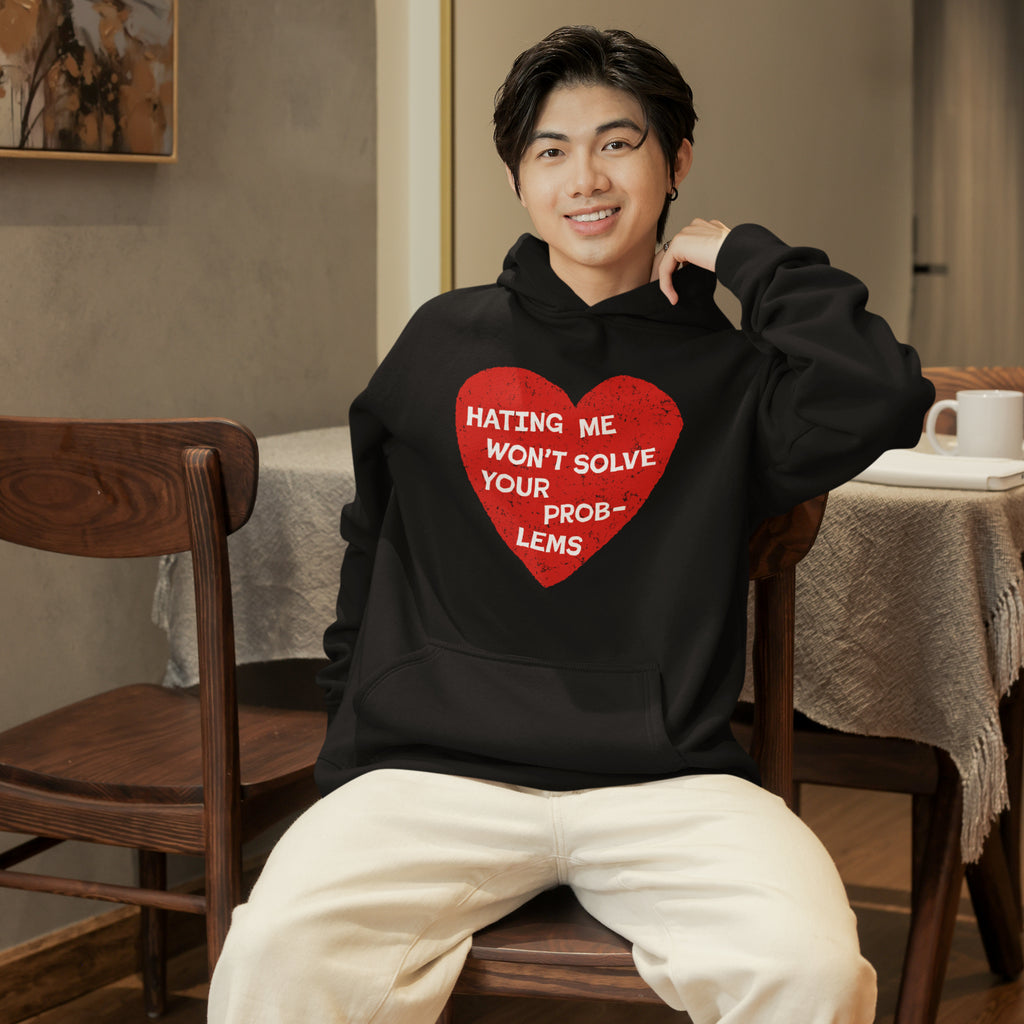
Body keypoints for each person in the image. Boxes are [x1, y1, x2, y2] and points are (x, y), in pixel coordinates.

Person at [208, 25, 934, 1024]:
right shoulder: (440, 342)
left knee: (810, 971)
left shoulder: (731, 380)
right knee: (271, 960)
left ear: (676, 160)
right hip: (431, 773)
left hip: (665, 782)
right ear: (517, 178)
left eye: (617, 142)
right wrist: (353, 746)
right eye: (550, 150)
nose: (583, 177)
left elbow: (884, 392)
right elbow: (372, 545)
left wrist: (742, 253)